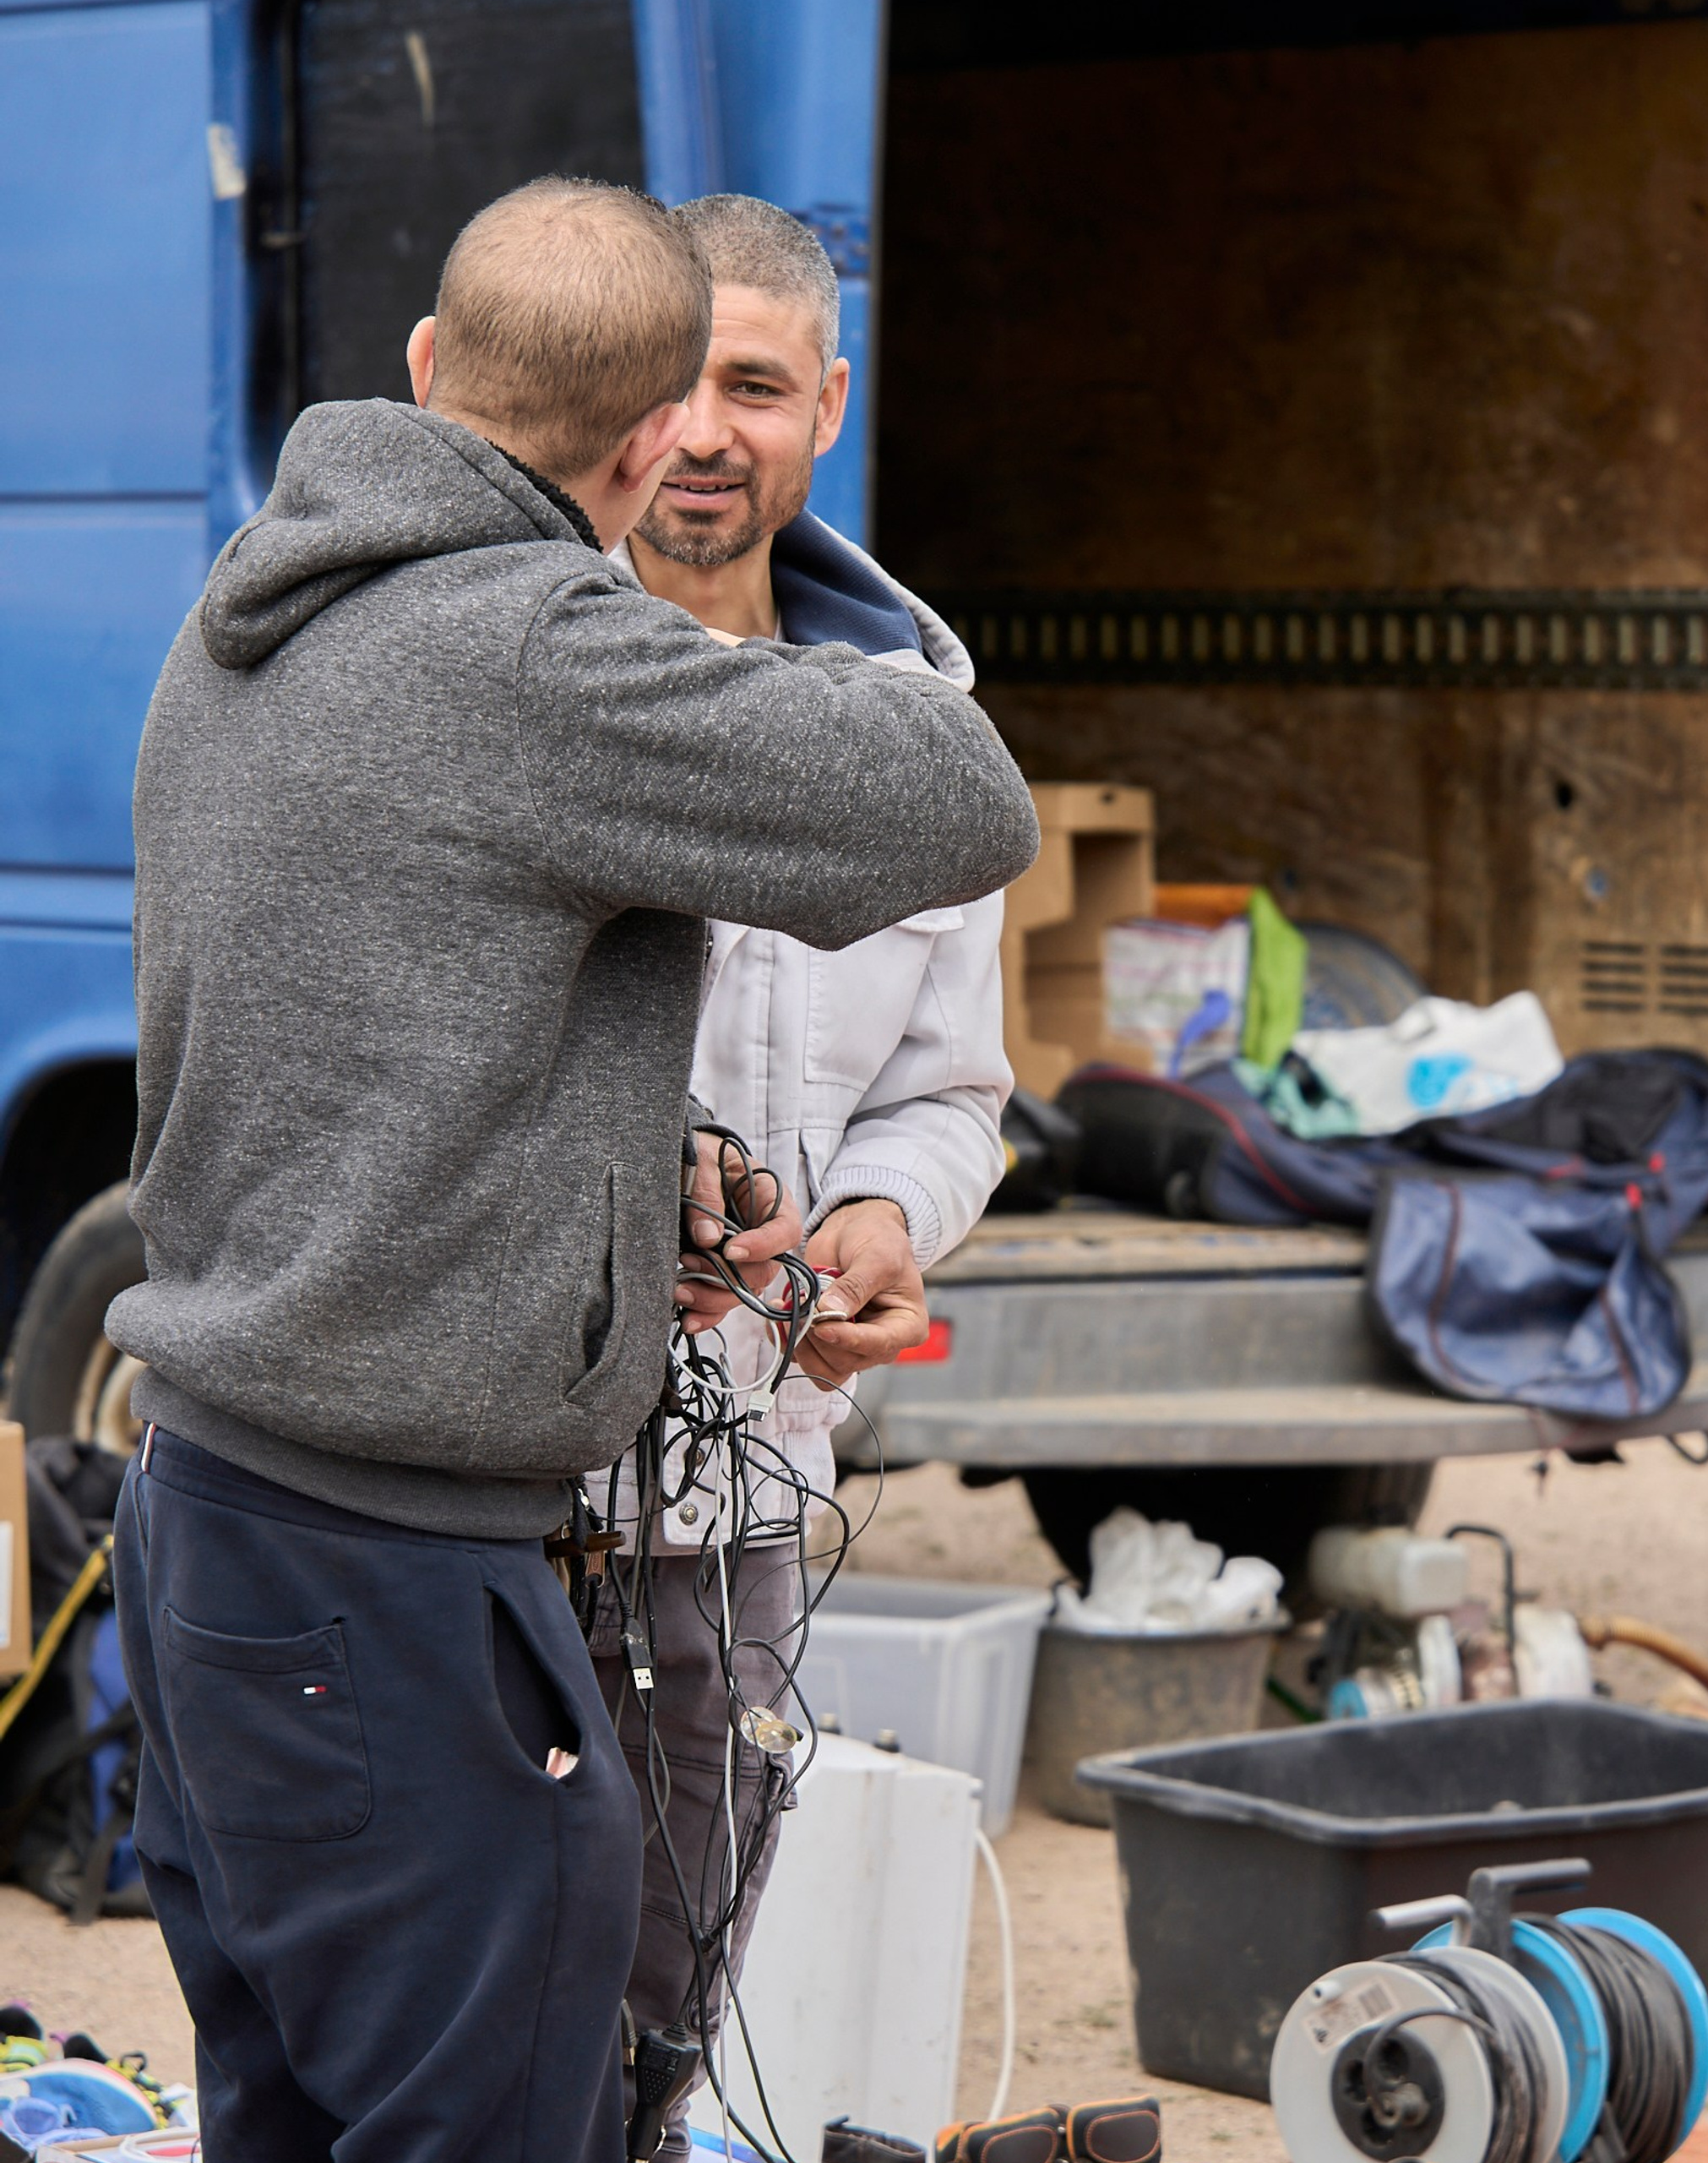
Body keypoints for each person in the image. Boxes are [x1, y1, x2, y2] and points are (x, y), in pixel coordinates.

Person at [106, 177, 1037, 2163]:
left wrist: (639, 1171)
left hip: (212, 1520)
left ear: (428, 366)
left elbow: (386, 1034)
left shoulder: (250, 603)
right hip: (397, 1575)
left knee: (295, 2114)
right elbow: (961, 791)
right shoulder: (539, 650)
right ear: (635, 457)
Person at [585, 195, 1014, 2163]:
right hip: (492, 1486)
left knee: (681, 1976)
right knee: (475, 1969)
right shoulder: (518, 680)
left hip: (755, 1490)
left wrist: (879, 1222)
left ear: (822, 406)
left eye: (749, 385)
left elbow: (952, 1090)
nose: (698, 429)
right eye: (666, 380)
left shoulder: (920, 742)